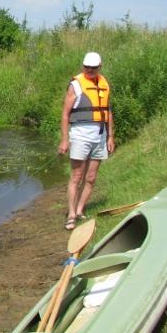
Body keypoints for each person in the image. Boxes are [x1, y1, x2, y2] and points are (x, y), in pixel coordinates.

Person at [58, 52, 115, 230]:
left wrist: (110, 136)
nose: (89, 70)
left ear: (100, 67)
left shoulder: (104, 84)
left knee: (91, 178)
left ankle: (81, 210)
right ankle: (71, 214)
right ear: (83, 66)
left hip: (100, 135)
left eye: (93, 67)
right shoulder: (75, 85)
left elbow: (108, 112)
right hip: (80, 134)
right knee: (76, 176)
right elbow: (65, 114)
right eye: (87, 67)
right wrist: (65, 140)